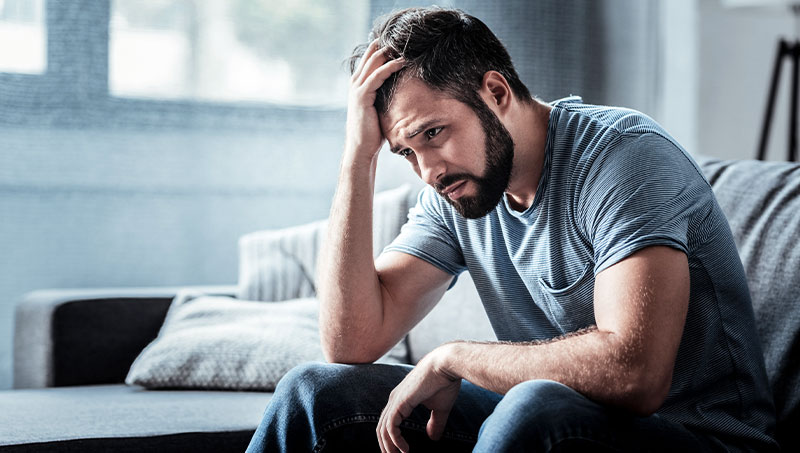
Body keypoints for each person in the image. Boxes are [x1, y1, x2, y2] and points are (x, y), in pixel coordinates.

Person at [246, 6, 777, 453]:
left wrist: (454, 356)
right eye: (407, 152)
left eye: (434, 133)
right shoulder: (457, 190)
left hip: (702, 438)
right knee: (315, 391)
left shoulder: (624, 158)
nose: (428, 171)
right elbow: (351, 341)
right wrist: (356, 156)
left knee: (532, 404)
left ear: (496, 91)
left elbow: (634, 375)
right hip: (541, 423)